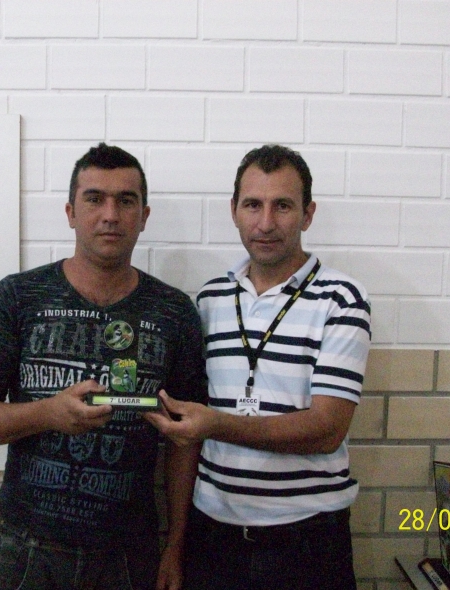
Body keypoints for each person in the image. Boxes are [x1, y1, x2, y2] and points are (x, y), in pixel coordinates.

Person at [0, 143, 206, 590]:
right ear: (70, 212)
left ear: (144, 216)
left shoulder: (174, 312)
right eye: (94, 199)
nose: (110, 215)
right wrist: (46, 413)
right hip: (28, 548)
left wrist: (176, 545)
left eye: (125, 201)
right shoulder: (18, 297)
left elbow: (184, 441)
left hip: (128, 553)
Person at [145, 144, 371, 590]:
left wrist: (216, 424)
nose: (265, 223)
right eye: (252, 205)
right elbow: (188, 434)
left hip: (307, 543)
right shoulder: (209, 299)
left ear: (307, 214)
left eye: (282, 206)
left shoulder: (341, 299)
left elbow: (327, 430)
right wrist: (175, 543)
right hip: (212, 538)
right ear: (233, 211)